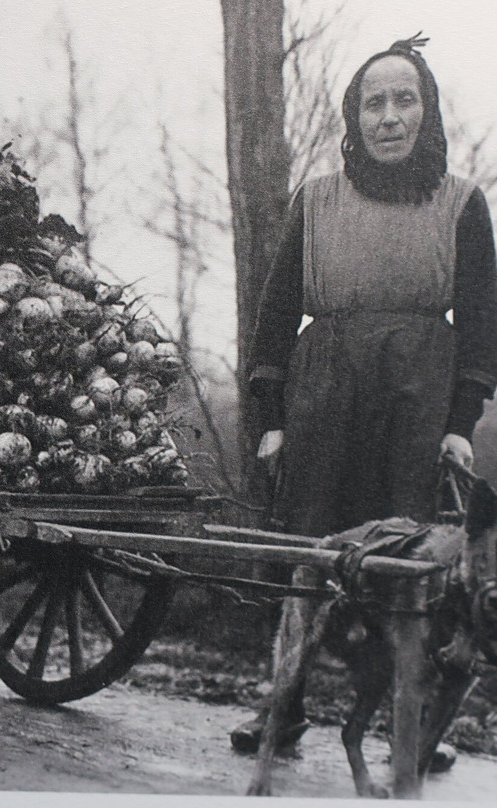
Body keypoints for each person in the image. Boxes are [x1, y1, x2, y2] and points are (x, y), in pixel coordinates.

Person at [230, 35, 497, 759]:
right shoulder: (314, 202)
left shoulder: (463, 204)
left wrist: (460, 424)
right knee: (310, 553)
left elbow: (480, 328)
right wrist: (272, 417)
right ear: (355, 117)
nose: (388, 117)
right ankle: (280, 706)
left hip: (416, 397)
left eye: (403, 99)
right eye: (372, 102)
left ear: (427, 110)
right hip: (324, 393)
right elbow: (275, 313)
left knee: (405, 564)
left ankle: (405, 725)